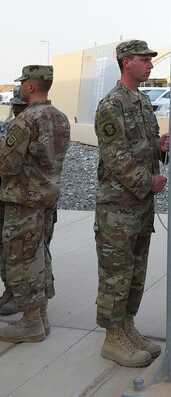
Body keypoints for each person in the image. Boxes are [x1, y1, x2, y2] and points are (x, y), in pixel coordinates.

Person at [94, 40, 169, 367]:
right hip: (118, 207)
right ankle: (112, 338)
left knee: (136, 271)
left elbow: (139, 146)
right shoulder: (111, 104)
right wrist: (146, 181)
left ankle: (127, 326)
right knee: (116, 272)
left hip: (139, 206)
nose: (150, 65)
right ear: (126, 62)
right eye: (144, 60)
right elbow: (115, 157)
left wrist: (159, 146)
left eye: (151, 60)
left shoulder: (139, 100)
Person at [0, 65, 70, 343]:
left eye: (23, 83)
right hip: (46, 198)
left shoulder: (25, 120)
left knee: (20, 259)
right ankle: (40, 317)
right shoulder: (60, 117)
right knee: (40, 256)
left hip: (23, 199)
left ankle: (30, 322)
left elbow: (8, 165)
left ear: (30, 86)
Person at [0, 87, 29, 316]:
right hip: (5, 196)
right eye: (16, 105)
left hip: (28, 198)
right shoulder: (5, 128)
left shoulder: (40, 126)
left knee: (28, 249)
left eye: (22, 105)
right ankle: (10, 290)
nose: (18, 109)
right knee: (6, 248)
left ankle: (28, 298)